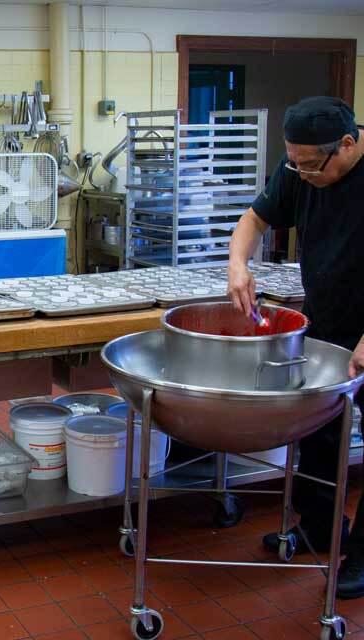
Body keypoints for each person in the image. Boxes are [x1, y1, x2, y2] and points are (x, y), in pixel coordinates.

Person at [227, 95, 364, 599]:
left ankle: (363, 558)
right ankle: (319, 525)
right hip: (328, 319)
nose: (301, 174)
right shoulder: (300, 168)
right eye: (294, 163)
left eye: (310, 165)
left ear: (347, 145)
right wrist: (238, 263)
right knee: (322, 429)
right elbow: (254, 219)